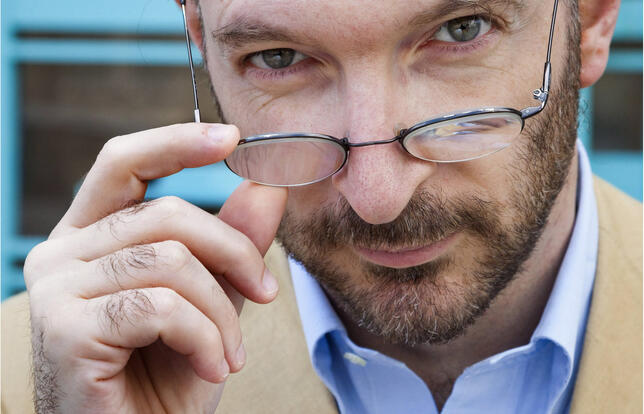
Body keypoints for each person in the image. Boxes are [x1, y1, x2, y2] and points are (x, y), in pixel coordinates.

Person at [1, 0, 640, 412]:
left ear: (590, 21)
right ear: (201, 42)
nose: (378, 198)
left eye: (461, 30)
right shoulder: (31, 379)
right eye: (277, 58)